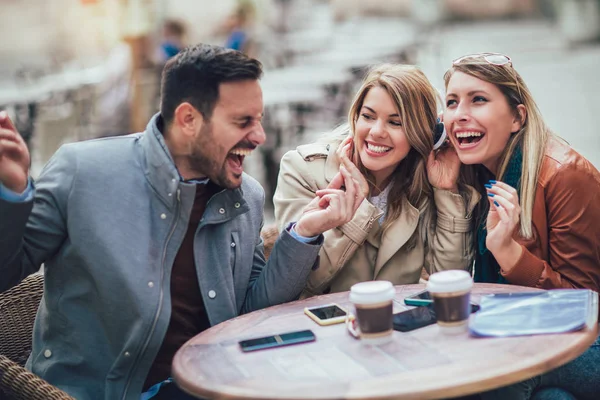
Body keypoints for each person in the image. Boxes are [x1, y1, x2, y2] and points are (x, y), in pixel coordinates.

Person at [0, 44, 365, 400]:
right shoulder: (82, 171)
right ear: (189, 119)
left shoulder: (247, 196)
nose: (259, 137)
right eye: (243, 121)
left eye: (259, 120)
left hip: (209, 385)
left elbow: (249, 311)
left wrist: (304, 232)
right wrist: (13, 196)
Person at [443, 52, 600, 400]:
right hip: (523, 332)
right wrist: (444, 192)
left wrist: (510, 254)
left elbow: (584, 306)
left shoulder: (564, 174)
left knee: (491, 372)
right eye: (451, 102)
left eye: (478, 100)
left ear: (517, 118)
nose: (459, 114)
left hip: (586, 341)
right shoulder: (475, 172)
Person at [273, 64, 478, 297]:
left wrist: (446, 191)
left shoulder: (425, 183)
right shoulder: (303, 169)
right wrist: (357, 210)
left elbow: (450, 279)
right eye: (368, 117)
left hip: (398, 325)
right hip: (323, 328)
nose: (376, 132)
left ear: (422, 133)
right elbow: (301, 282)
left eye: (395, 122)